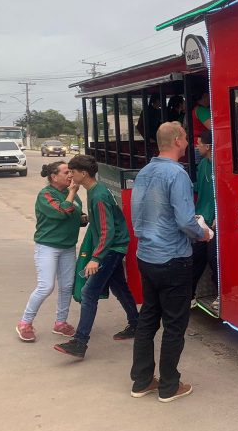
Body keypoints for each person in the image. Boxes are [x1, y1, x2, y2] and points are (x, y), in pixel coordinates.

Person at [129, 122, 210, 402]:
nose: (189, 142)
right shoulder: (177, 174)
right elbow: (186, 221)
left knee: (148, 318)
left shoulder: (144, 172)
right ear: (177, 140)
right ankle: (169, 386)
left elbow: (138, 214)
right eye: (186, 138)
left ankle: (141, 381)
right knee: (175, 325)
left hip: (146, 256)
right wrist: (204, 233)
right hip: (173, 259)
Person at [54, 154, 139, 359]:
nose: (70, 175)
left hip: (112, 249)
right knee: (119, 287)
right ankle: (137, 324)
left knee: (89, 292)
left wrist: (96, 257)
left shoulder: (98, 195)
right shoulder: (93, 190)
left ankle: (80, 342)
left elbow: (106, 230)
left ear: (84, 173)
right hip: (113, 247)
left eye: (72, 172)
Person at [16, 162, 85, 342]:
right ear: (54, 177)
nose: (70, 175)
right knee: (46, 286)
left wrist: (86, 217)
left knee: (67, 286)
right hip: (48, 246)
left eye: (71, 171)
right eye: (66, 172)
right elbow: (62, 212)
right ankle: (25, 322)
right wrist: (72, 192)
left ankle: (60, 323)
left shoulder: (72, 195)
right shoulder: (46, 194)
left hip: (68, 246)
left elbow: (77, 216)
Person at [191, 130, 218, 310]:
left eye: (199, 144)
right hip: (201, 219)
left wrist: (219, 215)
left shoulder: (220, 166)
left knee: (214, 258)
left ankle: (220, 294)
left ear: (208, 147)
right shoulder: (202, 166)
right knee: (195, 258)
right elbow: (197, 189)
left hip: (215, 221)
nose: (196, 146)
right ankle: (189, 295)